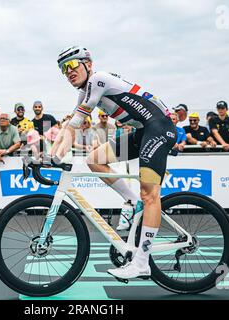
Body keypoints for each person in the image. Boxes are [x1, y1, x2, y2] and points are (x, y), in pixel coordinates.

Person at [50, 46, 177, 279]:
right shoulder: (86, 90)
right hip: (142, 131)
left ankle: (142, 262)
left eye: (71, 65)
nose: (67, 72)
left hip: (159, 128)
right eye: (62, 69)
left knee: (150, 195)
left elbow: (77, 121)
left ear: (88, 64)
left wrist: (55, 157)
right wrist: (49, 155)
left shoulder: (98, 80)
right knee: (94, 160)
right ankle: (132, 200)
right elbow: (69, 125)